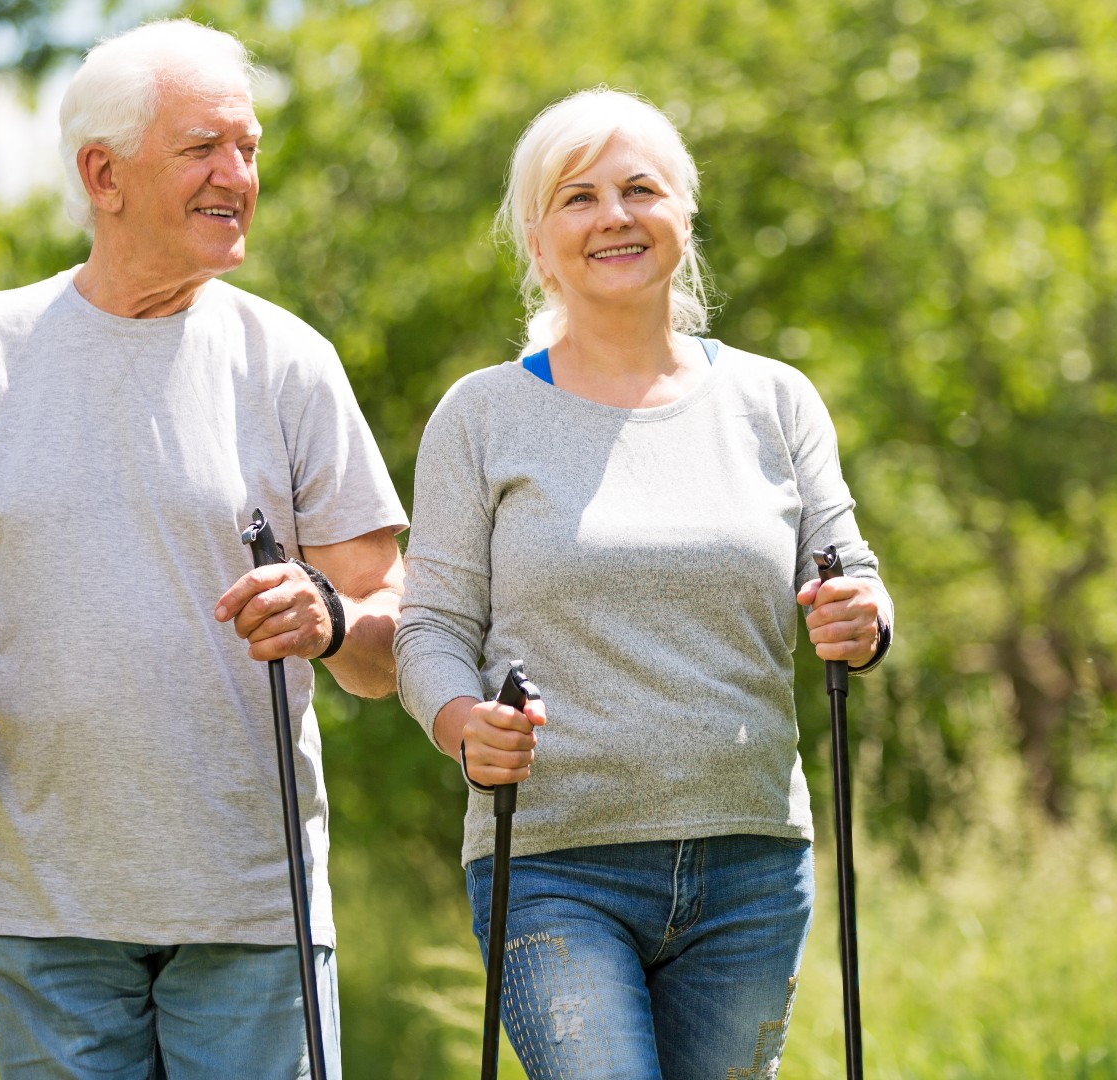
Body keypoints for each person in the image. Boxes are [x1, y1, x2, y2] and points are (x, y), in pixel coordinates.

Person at [0, 19, 405, 1078]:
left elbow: (388, 632)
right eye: (204, 148)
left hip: (254, 906)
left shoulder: (291, 364)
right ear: (104, 174)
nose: (238, 174)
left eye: (249, 147)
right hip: (43, 906)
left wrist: (330, 619)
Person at [393, 87, 894, 1079]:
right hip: (551, 864)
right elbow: (431, 630)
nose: (613, 216)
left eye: (639, 189)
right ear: (537, 242)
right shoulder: (482, 416)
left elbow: (855, 580)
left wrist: (864, 619)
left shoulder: (774, 401)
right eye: (577, 198)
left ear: (683, 215)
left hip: (750, 863)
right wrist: (463, 724)